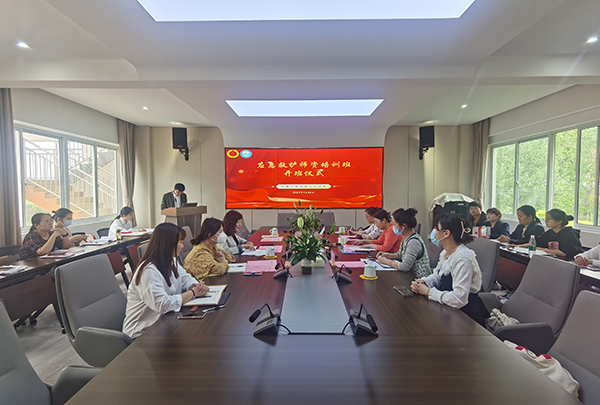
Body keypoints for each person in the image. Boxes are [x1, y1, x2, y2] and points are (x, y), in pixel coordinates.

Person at [123, 223, 209, 339]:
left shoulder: (170, 260)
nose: (183, 246)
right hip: (141, 334)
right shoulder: (148, 271)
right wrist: (193, 292)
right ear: (169, 244)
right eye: (180, 242)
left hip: (164, 322)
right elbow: (163, 305)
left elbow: (185, 278)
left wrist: (194, 285)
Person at [410, 214, 488, 327]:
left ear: (446, 233)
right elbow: (438, 275)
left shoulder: (463, 259)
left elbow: (459, 299)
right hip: (448, 308)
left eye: (436, 228)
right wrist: (424, 282)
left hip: (464, 317)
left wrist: (428, 292)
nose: (433, 232)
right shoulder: (446, 253)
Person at [376, 208, 432, 278]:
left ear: (403, 226)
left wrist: (386, 261)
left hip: (419, 279)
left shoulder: (413, 242)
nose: (393, 226)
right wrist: (387, 255)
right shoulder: (405, 237)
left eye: (394, 224)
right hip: (409, 276)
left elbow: (405, 266)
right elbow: (401, 255)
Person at [515, 209, 583, 260]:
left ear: (559, 221)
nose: (546, 221)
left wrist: (543, 249)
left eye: (549, 219)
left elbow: (563, 253)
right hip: (553, 260)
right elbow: (536, 242)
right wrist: (519, 246)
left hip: (569, 262)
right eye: (545, 219)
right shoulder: (550, 232)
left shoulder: (570, 234)